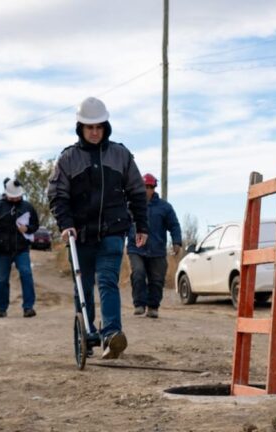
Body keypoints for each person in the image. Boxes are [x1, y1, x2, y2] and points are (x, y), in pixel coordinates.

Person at [48, 96, 148, 360]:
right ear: (80, 128)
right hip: (79, 235)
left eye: (99, 127)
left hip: (113, 231)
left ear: (106, 127)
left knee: (107, 281)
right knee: (83, 284)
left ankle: (112, 335)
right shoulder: (68, 158)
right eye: (89, 127)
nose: (94, 132)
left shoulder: (121, 155)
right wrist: (66, 224)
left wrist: (141, 224)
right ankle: (88, 332)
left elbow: (137, 192)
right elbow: (57, 195)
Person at [127, 173, 182, 319]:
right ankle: (139, 304)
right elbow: (122, 223)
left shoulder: (165, 207)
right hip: (136, 248)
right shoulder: (131, 206)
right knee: (138, 273)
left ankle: (153, 307)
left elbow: (174, 225)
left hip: (157, 250)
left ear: (153, 188)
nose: (146, 190)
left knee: (157, 280)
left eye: (149, 187)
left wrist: (177, 242)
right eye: (143, 187)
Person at [0, 178, 40, 318]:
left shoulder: (27, 207)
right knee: (2, 279)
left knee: (26, 274)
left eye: (18, 196)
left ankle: (28, 308)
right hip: (3, 251)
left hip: (22, 249)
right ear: (7, 194)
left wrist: (27, 228)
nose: (16, 199)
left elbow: (35, 225)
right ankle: (2, 309)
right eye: (13, 196)